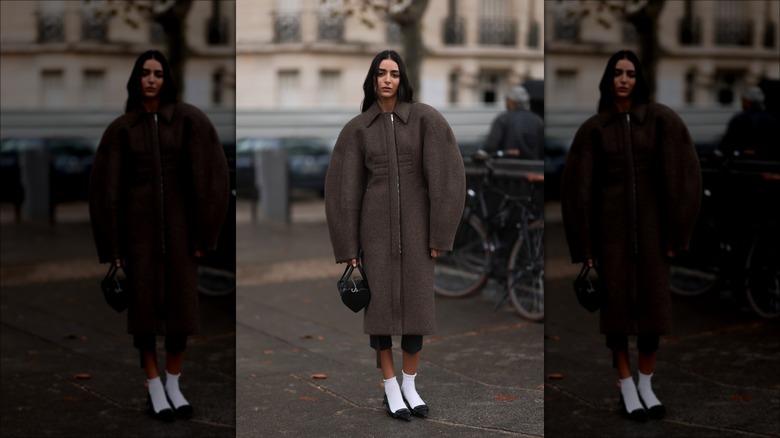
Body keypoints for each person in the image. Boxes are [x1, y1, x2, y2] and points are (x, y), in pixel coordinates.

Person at [324, 50, 466, 422]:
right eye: (382, 73)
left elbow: (448, 177)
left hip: (418, 230)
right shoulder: (357, 128)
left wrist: (440, 233)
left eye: (395, 73)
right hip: (374, 231)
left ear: (403, 79)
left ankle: (410, 384)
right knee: (381, 312)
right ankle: (389, 387)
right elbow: (343, 190)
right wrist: (347, 245)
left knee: (417, 311)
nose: (388, 79)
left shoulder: (425, 119)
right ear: (372, 78)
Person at [560, 50, 701, 422]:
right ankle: (625, 385)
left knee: (653, 314)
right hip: (610, 237)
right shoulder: (594, 128)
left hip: (654, 234)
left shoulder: (660, 121)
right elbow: (578, 190)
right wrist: (585, 246)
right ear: (608, 79)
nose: (624, 79)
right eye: (618, 73)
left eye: (631, 73)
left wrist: (677, 233)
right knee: (617, 315)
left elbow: (684, 175)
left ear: (639, 80)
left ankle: (646, 383)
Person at [88, 50, 229, 422]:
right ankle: (153, 385)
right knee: (145, 316)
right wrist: (113, 248)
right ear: (136, 79)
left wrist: (205, 233)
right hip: (138, 239)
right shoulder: (122, 129)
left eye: (158, 73)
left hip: (181, 237)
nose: (152, 79)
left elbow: (212, 173)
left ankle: (173, 383)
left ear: (167, 80)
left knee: (181, 315)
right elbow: (106, 190)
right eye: (146, 73)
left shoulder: (186, 121)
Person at [717, 85, 780, 161]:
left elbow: (727, 144)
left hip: (742, 164)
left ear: (747, 102)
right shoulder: (772, 120)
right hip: (766, 164)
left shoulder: (739, 119)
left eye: (743, 100)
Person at [483, 85, 544, 159]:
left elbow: (490, 147)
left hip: (507, 167)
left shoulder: (503, 119)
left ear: (511, 102)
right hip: (534, 168)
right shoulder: (538, 120)